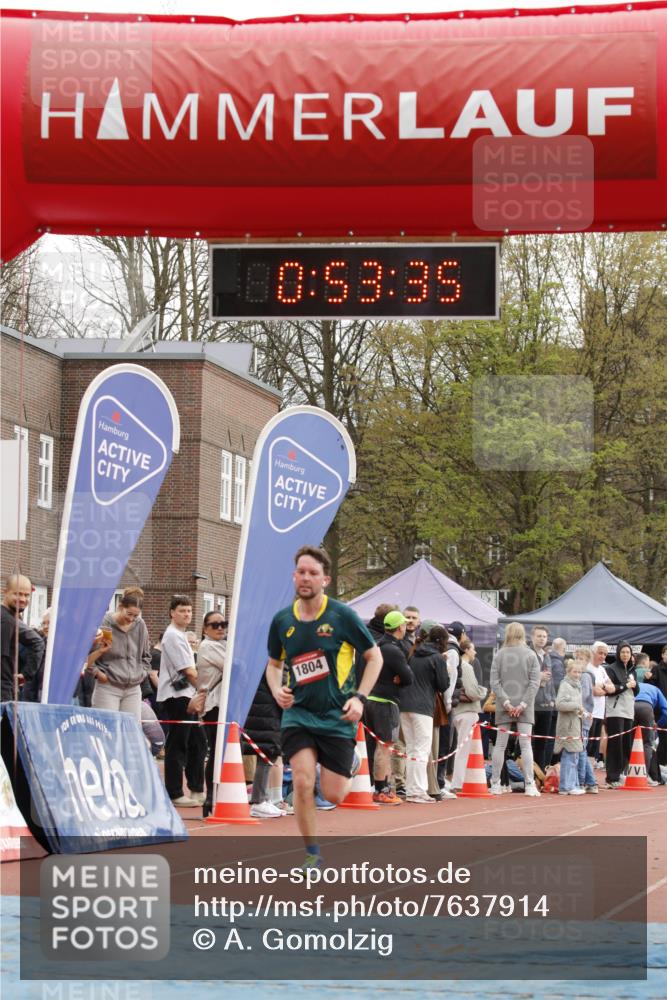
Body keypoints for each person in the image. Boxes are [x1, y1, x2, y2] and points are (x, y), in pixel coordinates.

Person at [265, 546, 382, 869]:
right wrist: (277, 690)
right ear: (294, 576)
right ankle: (312, 853)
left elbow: (375, 657)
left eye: (313, 573)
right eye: (301, 572)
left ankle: (351, 763)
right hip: (299, 713)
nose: (306, 578)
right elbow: (273, 665)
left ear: (325, 580)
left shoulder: (342, 616)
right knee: (302, 781)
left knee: (333, 795)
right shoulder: (282, 620)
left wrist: (359, 697)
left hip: (336, 715)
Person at [157, 594, 206, 808]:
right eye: (182, 610)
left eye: (189, 610)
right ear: (172, 613)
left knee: (198, 742)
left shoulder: (181, 635)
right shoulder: (173, 636)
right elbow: (188, 670)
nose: (187, 614)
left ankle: (196, 789)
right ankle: (175, 791)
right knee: (179, 743)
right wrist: (204, 691)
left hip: (187, 694)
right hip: (177, 696)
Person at [366, 610, 413, 805]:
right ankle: (381, 789)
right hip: (385, 701)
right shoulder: (393, 650)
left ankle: (380, 786)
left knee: (379, 746)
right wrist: (400, 679)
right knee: (384, 746)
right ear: (400, 627)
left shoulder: (378, 645)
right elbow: (409, 677)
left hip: (372, 697)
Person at [400, 624, 451, 803]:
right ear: (442, 641)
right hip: (422, 707)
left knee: (412, 749)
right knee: (422, 749)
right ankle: (418, 791)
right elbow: (443, 685)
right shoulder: (437, 658)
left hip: (404, 705)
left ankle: (411, 789)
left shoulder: (413, 654)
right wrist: (447, 669)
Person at [490, 622, 541, 797]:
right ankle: (529, 784)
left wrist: (505, 703)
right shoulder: (531, 655)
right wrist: (523, 704)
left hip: (505, 705)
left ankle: (495, 783)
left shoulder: (499, 655)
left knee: (500, 745)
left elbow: (494, 682)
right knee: (526, 745)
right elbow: (535, 683)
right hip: (524, 707)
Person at [86, 586, 151, 721]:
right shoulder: (104, 623)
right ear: (120, 606)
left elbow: (146, 655)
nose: (132, 619)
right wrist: (99, 674)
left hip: (133, 687)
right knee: (107, 729)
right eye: (129, 614)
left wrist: (142, 673)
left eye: (136, 616)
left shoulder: (140, 625)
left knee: (131, 732)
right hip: (108, 686)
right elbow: (87, 656)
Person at [191, 611, 227, 816]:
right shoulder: (208, 646)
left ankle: (217, 796)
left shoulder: (221, 645)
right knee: (216, 751)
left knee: (221, 752)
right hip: (214, 705)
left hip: (222, 704)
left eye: (223, 624)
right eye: (215, 625)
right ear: (205, 629)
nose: (220, 628)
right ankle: (211, 799)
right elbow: (234, 665)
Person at [450, 638, 487, 792]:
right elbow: (473, 692)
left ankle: (458, 781)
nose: (475, 652)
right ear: (466, 650)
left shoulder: (456, 665)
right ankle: (458, 783)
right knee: (463, 749)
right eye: (473, 649)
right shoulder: (467, 667)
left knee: (459, 747)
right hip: (467, 711)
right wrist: (483, 691)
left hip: (457, 711)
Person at [1, 573, 44, 702]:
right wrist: (26, 674)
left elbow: (37, 642)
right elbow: (38, 642)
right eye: (18, 594)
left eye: (26, 595)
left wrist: (26, 673)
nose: (23, 599)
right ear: (5, 592)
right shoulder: (7, 620)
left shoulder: (10, 619)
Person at [603, 640, 638, 789]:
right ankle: (612, 776)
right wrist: (626, 686)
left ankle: (620, 772)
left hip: (629, 710)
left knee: (626, 743)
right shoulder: (611, 669)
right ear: (618, 653)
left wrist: (635, 686)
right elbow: (611, 689)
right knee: (615, 743)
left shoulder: (632, 670)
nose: (625, 655)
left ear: (631, 655)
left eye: (628, 652)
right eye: (623, 652)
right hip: (615, 711)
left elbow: (636, 690)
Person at [554, 659, 586, 795]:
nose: (577, 674)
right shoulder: (566, 685)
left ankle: (571, 784)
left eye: (579, 672)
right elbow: (560, 704)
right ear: (568, 671)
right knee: (570, 755)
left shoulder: (576, 686)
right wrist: (577, 706)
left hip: (574, 724)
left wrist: (580, 711)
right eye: (575, 671)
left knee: (574, 756)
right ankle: (566, 786)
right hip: (567, 726)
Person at [531, 625, 556, 772]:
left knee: (543, 742)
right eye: (539, 636)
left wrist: (552, 698)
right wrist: (539, 677)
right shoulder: (528, 654)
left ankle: (540, 775)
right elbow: (523, 676)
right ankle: (527, 775)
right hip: (532, 703)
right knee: (527, 741)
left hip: (547, 704)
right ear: (532, 637)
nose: (542, 639)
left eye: (544, 636)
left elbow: (551, 679)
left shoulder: (547, 656)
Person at [634, 680, 667, 785]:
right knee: (647, 743)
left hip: (630, 706)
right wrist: (658, 724)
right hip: (646, 708)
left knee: (629, 741)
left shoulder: (635, 684)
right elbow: (666, 710)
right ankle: (644, 775)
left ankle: (624, 773)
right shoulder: (656, 689)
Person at [586, 641, 610, 768]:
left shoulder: (602, 670)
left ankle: (589, 771)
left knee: (594, 745)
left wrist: (603, 688)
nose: (603, 656)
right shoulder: (587, 668)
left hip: (600, 713)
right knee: (587, 743)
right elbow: (594, 691)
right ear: (593, 652)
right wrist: (605, 689)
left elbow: (612, 688)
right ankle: (583, 773)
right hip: (589, 712)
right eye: (600, 653)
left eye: (605, 654)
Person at [645, 646, 667, 769]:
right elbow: (650, 688)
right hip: (660, 712)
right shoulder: (656, 670)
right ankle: (659, 768)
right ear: (662, 655)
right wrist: (647, 679)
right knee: (661, 741)